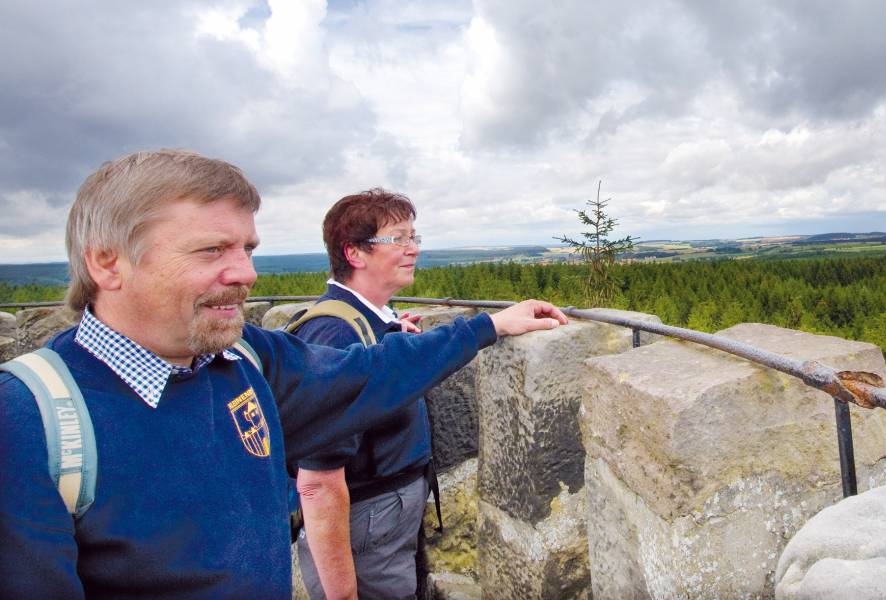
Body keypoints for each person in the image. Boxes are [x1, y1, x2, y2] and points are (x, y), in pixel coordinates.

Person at [0, 149, 567, 599]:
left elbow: (367, 374)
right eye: (211, 250)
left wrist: (484, 327)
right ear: (107, 262)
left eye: (247, 248)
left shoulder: (245, 359)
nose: (244, 273)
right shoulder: (32, 420)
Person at [290, 189, 435, 599]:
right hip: (366, 525)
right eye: (399, 238)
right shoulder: (334, 335)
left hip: (379, 522)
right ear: (355, 253)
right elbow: (317, 484)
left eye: (414, 238)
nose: (413, 249)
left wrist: (389, 333)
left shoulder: (368, 324)